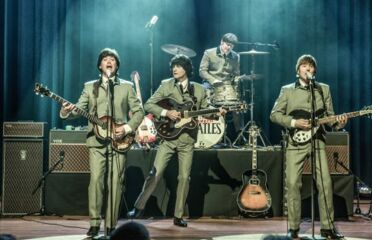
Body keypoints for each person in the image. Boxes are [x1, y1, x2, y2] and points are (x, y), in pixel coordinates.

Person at [127, 54, 226, 227]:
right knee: (155, 174)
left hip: (187, 140)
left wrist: (217, 112)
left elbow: (206, 112)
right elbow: (149, 105)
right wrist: (167, 113)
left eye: (178, 66)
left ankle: (178, 215)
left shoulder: (199, 90)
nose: (174, 69)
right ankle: (138, 207)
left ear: (186, 69)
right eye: (173, 66)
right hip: (168, 138)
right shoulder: (166, 85)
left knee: (184, 177)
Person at [60, 48, 144, 237]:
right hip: (96, 143)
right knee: (96, 181)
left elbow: (139, 112)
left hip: (119, 141)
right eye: (105, 59)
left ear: (117, 65)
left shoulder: (127, 86)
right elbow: (78, 110)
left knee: (115, 183)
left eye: (112, 59)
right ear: (100, 65)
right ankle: (95, 224)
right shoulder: (90, 87)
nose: (109, 61)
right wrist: (66, 111)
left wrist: (127, 128)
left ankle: (112, 225)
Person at [270, 54, 347, 239]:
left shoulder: (323, 89)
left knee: (325, 183)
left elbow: (331, 118)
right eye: (304, 66)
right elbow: (274, 115)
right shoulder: (287, 90)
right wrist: (295, 122)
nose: (308, 69)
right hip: (295, 142)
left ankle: (328, 228)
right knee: (292, 183)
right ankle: (294, 228)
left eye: (311, 67)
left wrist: (339, 123)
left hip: (318, 140)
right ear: (298, 70)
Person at [199, 33, 244, 143]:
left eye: (231, 46)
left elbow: (236, 73)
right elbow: (202, 71)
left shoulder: (236, 56)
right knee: (201, 95)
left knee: (238, 104)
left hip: (227, 85)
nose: (228, 47)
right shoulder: (209, 53)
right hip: (210, 83)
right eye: (227, 44)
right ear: (221, 42)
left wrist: (237, 80)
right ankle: (207, 132)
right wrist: (213, 80)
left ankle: (240, 134)